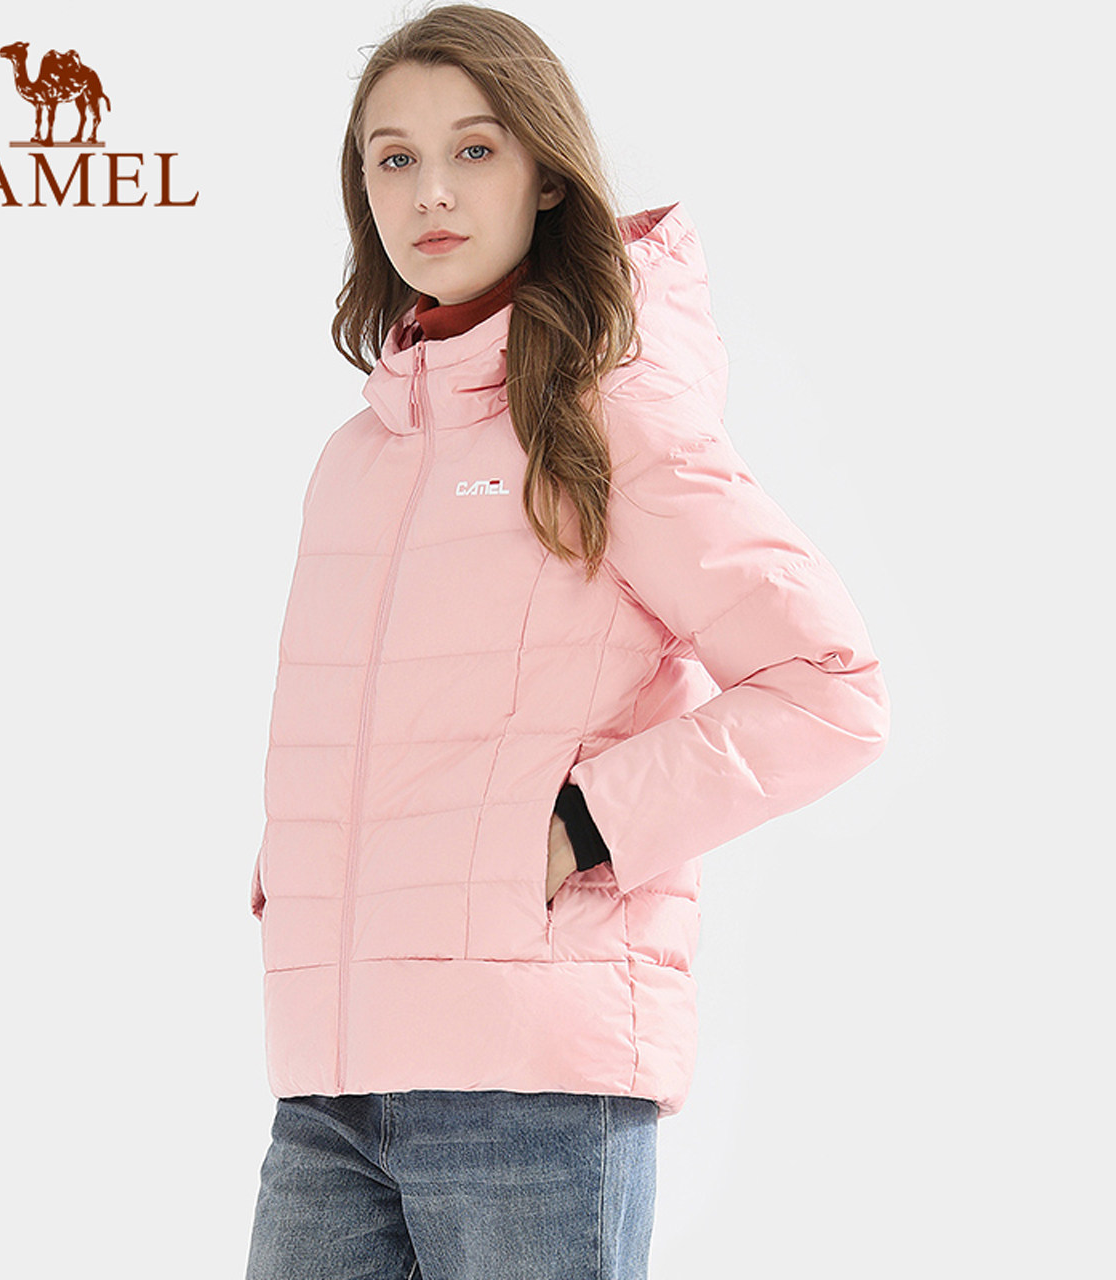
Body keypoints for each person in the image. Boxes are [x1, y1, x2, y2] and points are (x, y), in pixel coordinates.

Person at [244, 6, 891, 1278]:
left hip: (528, 1082)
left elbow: (829, 689)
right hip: (329, 1080)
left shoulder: (608, 413)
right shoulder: (357, 456)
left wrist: (583, 826)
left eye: (473, 149)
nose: (429, 191)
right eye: (392, 157)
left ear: (545, 173)